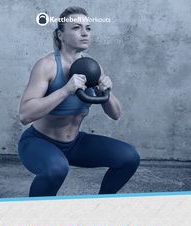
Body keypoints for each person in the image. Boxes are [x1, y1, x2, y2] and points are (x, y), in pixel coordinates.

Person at [18, 6, 140, 197]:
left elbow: (115, 114)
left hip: (74, 144)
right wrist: (65, 90)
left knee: (129, 157)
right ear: (60, 34)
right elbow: (25, 115)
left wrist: (107, 91)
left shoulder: (92, 66)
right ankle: (35, 216)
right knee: (57, 168)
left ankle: (100, 205)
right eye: (76, 28)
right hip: (38, 143)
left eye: (88, 28)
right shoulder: (48, 66)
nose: (85, 33)